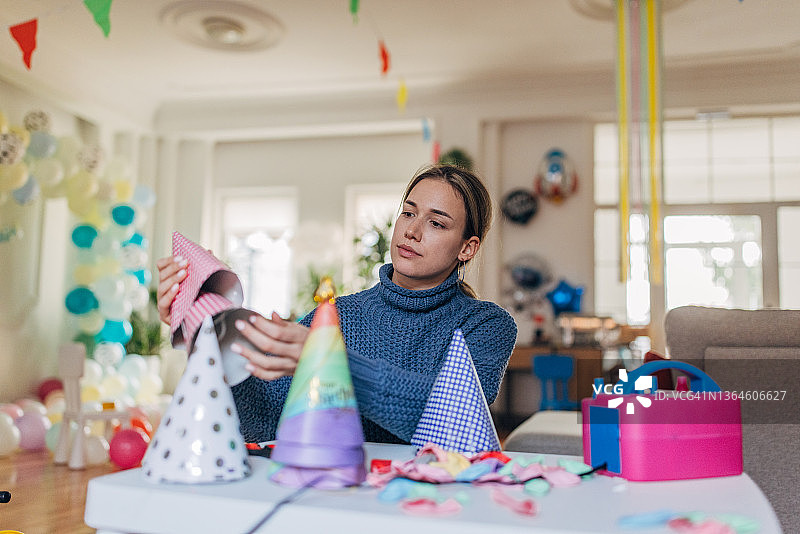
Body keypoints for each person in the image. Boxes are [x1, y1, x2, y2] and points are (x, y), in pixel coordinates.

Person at [156, 164, 517, 444]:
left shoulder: (487, 325)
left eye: (436, 223)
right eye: (408, 213)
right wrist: (204, 323)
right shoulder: (336, 316)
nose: (412, 230)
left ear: (467, 247)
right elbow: (260, 419)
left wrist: (327, 360)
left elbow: (457, 418)